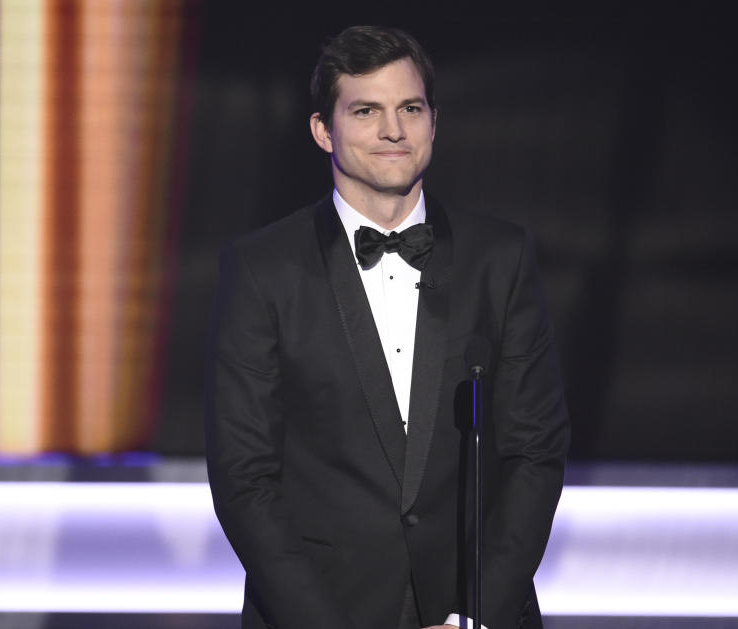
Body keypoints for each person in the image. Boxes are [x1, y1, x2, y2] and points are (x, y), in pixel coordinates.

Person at [205, 25, 570, 629]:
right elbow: (244, 478)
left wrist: (474, 614)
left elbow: (536, 452)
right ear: (325, 130)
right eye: (366, 110)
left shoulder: (499, 258)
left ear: (434, 121)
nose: (393, 130)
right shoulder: (262, 268)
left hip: (473, 610)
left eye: (410, 108)